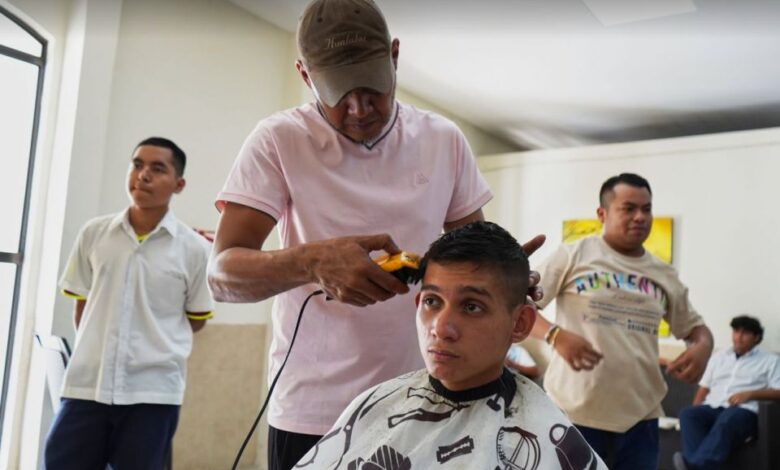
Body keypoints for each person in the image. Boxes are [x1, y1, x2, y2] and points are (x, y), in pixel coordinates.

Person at [208, 1, 543, 468]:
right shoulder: (278, 140)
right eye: (339, 93)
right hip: (313, 411)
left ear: (395, 56)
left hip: (424, 401)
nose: (359, 108)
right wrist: (311, 262)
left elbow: (477, 261)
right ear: (305, 75)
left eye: (372, 87)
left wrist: (507, 279)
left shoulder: (443, 140)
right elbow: (222, 276)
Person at [295, 221, 606, 469]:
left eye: (471, 306)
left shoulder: (543, 433)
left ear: (520, 323)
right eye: (432, 301)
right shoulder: (373, 404)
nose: (441, 328)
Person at [45, 137, 214, 469]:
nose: (143, 175)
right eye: (137, 165)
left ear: (179, 184)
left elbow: (197, 318)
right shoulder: (94, 233)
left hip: (153, 395)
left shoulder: (194, 249)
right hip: (86, 387)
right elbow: (82, 306)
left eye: (157, 168)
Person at [529, 173, 714, 470]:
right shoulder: (573, 255)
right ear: (602, 214)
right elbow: (519, 308)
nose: (640, 217)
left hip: (641, 420)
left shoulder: (663, 273)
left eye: (647, 209)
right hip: (574, 415)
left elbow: (696, 330)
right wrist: (555, 335)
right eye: (629, 208)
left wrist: (703, 347)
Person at [673, 315, 780, 470]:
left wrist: (750, 394)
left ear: (756, 338)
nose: (738, 337)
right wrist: (696, 407)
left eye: (745, 333)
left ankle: (695, 466)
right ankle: (696, 465)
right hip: (714, 407)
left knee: (728, 418)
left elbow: (778, 391)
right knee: (688, 414)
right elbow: (704, 388)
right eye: (736, 331)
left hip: (744, 412)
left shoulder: (770, 361)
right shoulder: (718, 357)